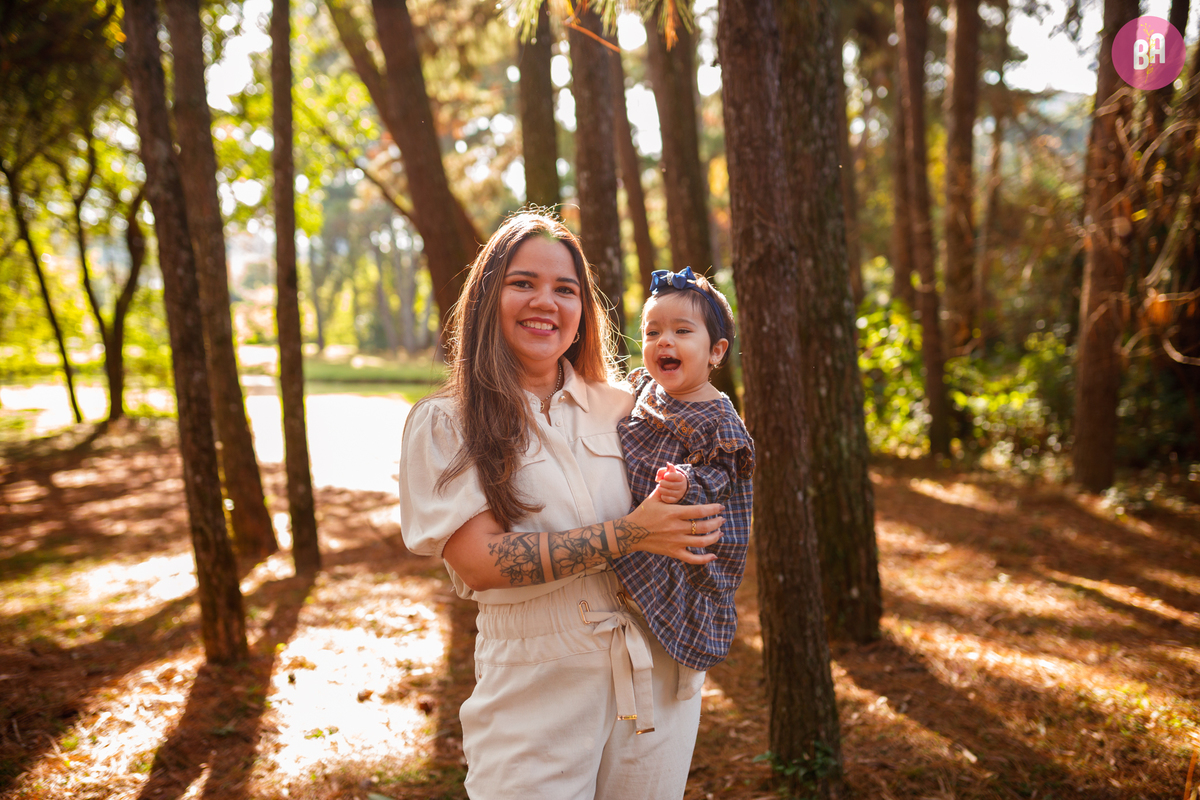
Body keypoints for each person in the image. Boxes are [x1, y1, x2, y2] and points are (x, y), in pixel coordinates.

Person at [398, 212, 726, 800]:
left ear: (582, 311)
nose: (544, 301)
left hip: (654, 671)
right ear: (486, 297)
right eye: (523, 282)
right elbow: (480, 562)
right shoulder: (446, 423)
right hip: (534, 682)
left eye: (565, 289)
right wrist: (630, 534)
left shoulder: (628, 406)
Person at [613, 266, 754, 698]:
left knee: (668, 669)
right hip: (636, 532)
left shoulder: (719, 419)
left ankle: (680, 676)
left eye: (682, 331)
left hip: (684, 540)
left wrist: (688, 483)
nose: (664, 341)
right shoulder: (643, 390)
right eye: (652, 332)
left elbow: (724, 482)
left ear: (716, 351)